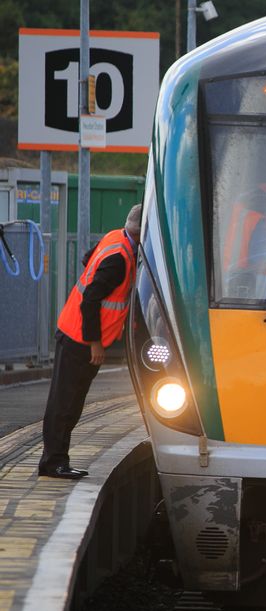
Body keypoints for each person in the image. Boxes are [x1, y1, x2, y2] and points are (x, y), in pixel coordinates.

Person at [39, 205, 141, 480]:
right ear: (141, 233)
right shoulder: (119, 259)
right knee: (66, 403)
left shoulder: (113, 238)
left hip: (72, 332)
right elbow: (91, 298)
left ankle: (54, 460)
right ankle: (54, 463)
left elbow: (88, 260)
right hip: (80, 339)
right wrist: (95, 342)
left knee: (67, 401)